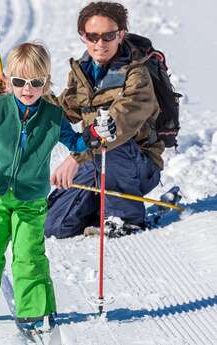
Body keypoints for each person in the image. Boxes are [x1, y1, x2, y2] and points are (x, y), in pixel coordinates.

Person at [0, 42, 115, 332]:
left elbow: (77, 143)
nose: (26, 89)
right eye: (18, 82)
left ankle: (37, 310)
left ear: (46, 82)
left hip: (31, 199)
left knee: (29, 254)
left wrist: (95, 134)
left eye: (35, 82)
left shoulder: (54, 117)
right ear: (8, 80)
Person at [44, 1, 162, 238]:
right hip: (97, 160)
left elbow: (119, 124)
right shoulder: (84, 70)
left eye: (108, 36)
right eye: (93, 36)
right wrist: (26, 96)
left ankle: (125, 218)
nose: (100, 43)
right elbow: (64, 110)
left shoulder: (137, 73)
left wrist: (77, 157)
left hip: (136, 163)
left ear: (121, 35)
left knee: (107, 136)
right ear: (83, 36)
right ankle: (101, 206)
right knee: (54, 226)